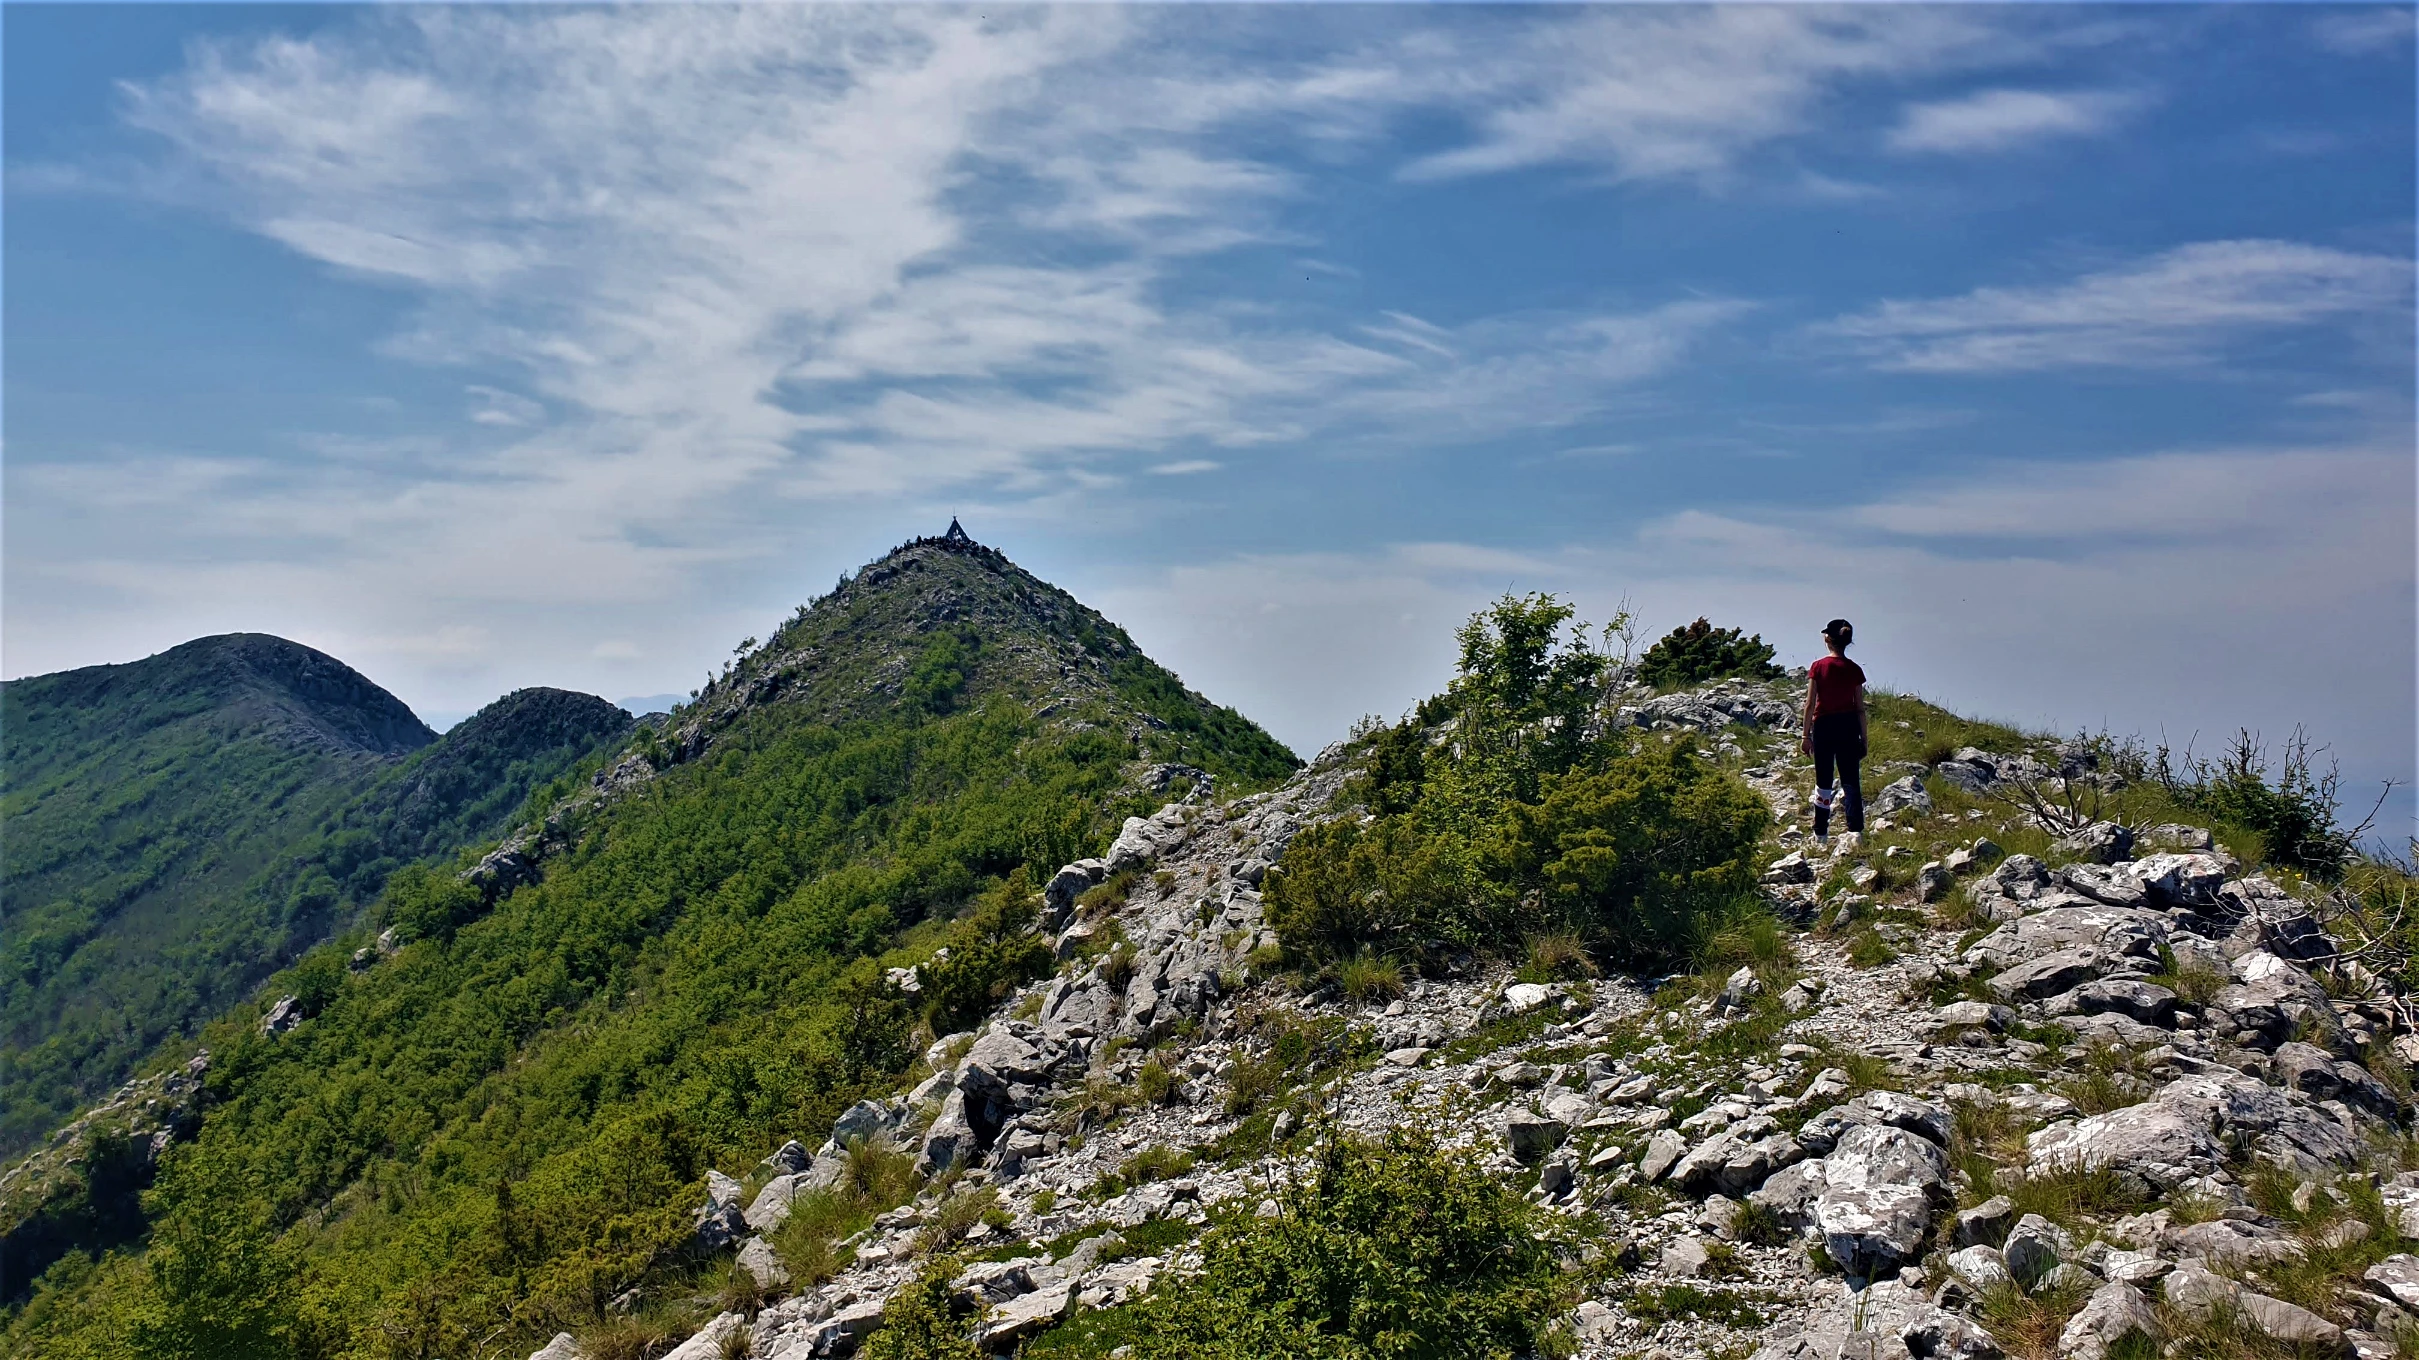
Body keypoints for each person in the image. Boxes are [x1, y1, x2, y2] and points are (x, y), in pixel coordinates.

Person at [1800, 618, 1867, 843]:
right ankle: (1855, 831)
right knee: (1850, 779)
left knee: (1824, 779)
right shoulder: (1855, 670)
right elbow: (1860, 708)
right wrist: (1864, 739)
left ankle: (1821, 832)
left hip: (1824, 725)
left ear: (1828, 638)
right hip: (1848, 725)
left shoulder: (1818, 666)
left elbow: (1810, 703)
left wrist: (1805, 735)